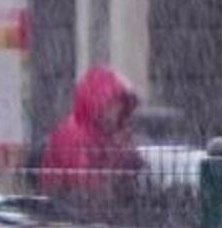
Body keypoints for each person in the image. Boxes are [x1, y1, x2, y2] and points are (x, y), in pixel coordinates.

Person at [38, 65, 145, 200]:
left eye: (120, 105)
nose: (116, 112)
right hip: (68, 212)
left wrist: (126, 155)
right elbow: (85, 186)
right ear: (97, 103)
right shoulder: (73, 134)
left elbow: (134, 175)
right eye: (110, 105)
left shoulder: (110, 134)